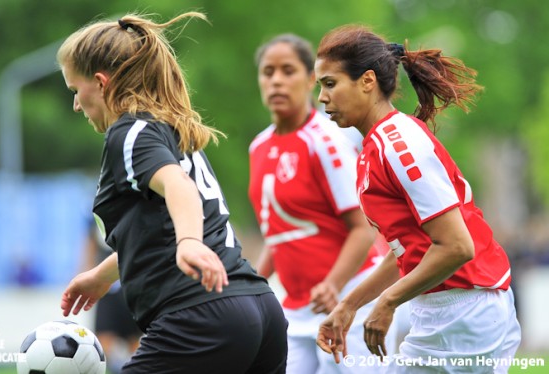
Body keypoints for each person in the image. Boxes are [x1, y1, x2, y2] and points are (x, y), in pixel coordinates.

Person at [56, 11, 288, 374]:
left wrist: (190, 242)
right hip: (259, 308)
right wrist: (103, 276)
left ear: (101, 83)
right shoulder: (174, 133)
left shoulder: (128, 133)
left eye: (75, 90)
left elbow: (179, 189)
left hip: (202, 316)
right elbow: (156, 229)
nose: (75, 104)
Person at [314, 25, 521, 372]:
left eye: (330, 83)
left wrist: (388, 302)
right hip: (447, 308)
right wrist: (350, 305)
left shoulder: (398, 144)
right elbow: (412, 251)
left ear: (367, 81)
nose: (322, 97)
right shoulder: (374, 148)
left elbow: (457, 247)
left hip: (465, 309)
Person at [249, 33, 397, 374]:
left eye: (288, 71)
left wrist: (333, 283)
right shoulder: (259, 147)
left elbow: (362, 228)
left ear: (310, 79)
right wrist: (254, 286)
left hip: (349, 301)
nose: (276, 81)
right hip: (295, 311)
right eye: (268, 72)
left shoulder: (327, 141)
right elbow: (279, 232)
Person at [80, 220, 142, 372]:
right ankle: (119, 367)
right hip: (106, 286)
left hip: (132, 282)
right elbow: (91, 242)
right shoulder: (95, 209)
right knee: (104, 338)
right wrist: (86, 272)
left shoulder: (140, 202)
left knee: (134, 339)